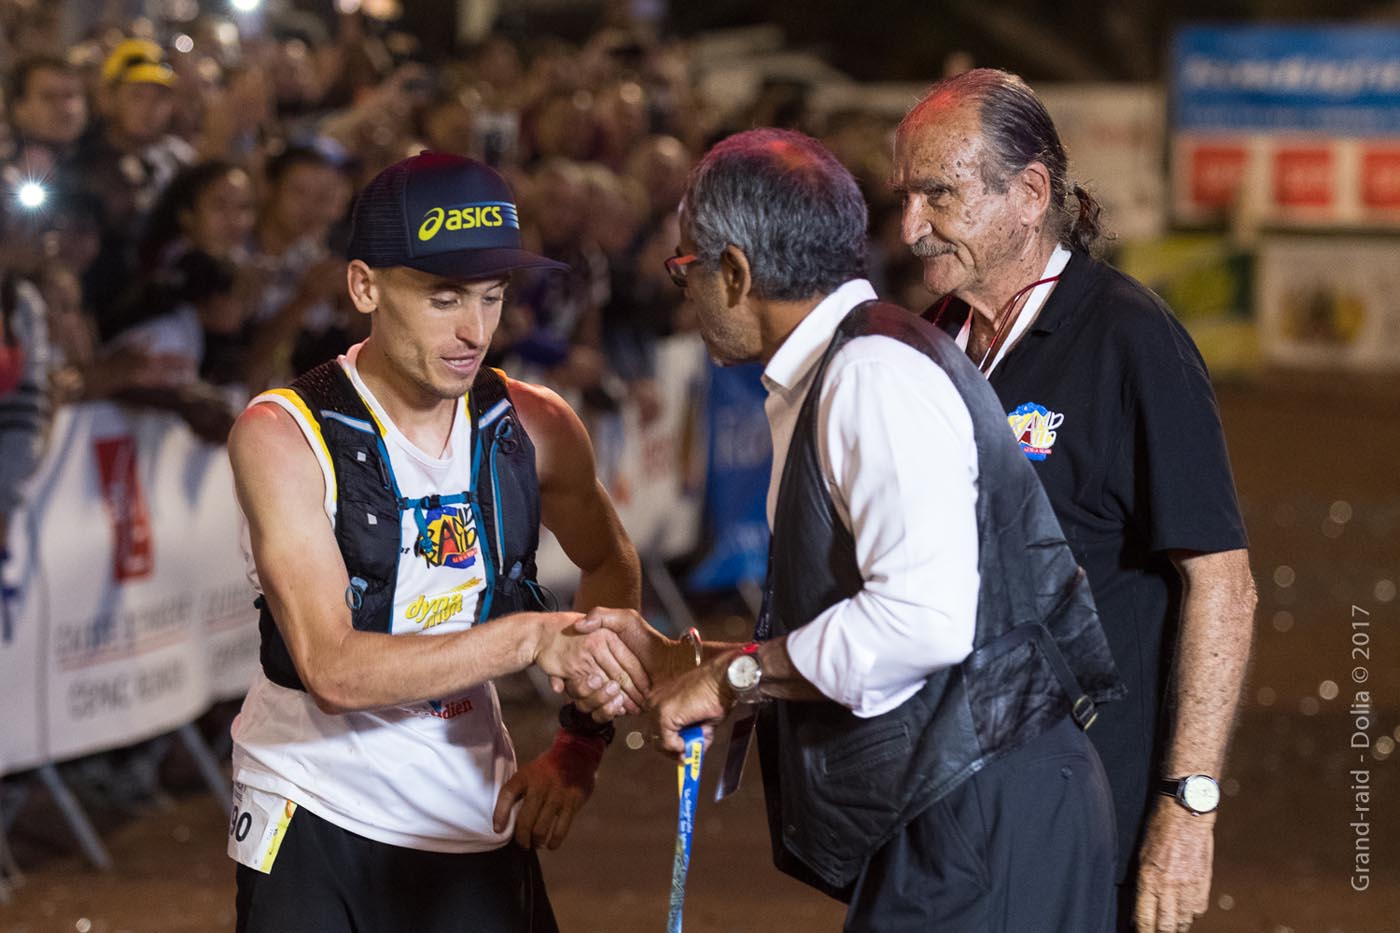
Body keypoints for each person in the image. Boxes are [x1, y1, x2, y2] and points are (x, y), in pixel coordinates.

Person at [582, 127, 1125, 932]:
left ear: (735, 273)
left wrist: (738, 679)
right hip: (965, 806)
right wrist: (715, 668)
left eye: (684, 270)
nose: (681, 294)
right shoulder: (854, 363)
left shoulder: (871, 376)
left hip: (983, 815)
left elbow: (920, 620)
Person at [226, 151, 648, 932]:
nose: (473, 331)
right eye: (443, 297)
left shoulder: (536, 423)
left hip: (467, 800)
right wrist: (530, 636)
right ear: (365, 286)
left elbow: (609, 563)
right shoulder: (283, 433)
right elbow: (332, 667)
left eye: (491, 297)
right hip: (311, 798)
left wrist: (581, 744)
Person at [892, 69, 1257, 933]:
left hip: (1086, 815)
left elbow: (1224, 583)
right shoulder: (928, 339)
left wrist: (1189, 806)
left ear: (1028, 193)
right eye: (904, 197)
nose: (910, 228)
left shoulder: (1131, 339)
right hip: (942, 807)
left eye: (936, 196)